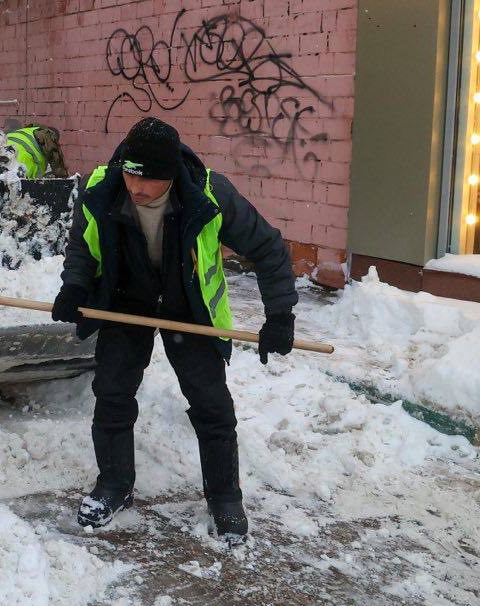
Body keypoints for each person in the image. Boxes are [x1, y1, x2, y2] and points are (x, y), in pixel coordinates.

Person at [51, 117, 297, 540]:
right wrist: (74, 287)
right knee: (111, 393)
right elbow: (82, 246)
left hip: (190, 309)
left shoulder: (210, 194)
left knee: (212, 404)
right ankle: (114, 485)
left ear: (170, 177)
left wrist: (279, 314)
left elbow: (269, 247)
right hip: (127, 301)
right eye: (129, 174)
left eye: (147, 181)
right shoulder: (101, 188)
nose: (135, 187)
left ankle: (224, 496)